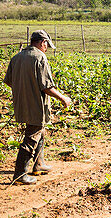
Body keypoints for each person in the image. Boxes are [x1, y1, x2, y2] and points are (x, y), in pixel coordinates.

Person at [4, 30, 71, 185]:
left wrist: (24, 87)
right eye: (47, 44)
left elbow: (9, 81)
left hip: (21, 103)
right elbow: (47, 86)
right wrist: (63, 98)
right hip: (36, 104)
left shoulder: (16, 57)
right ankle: (20, 174)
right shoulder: (40, 58)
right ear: (42, 42)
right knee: (32, 137)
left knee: (39, 131)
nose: (46, 48)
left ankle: (39, 164)